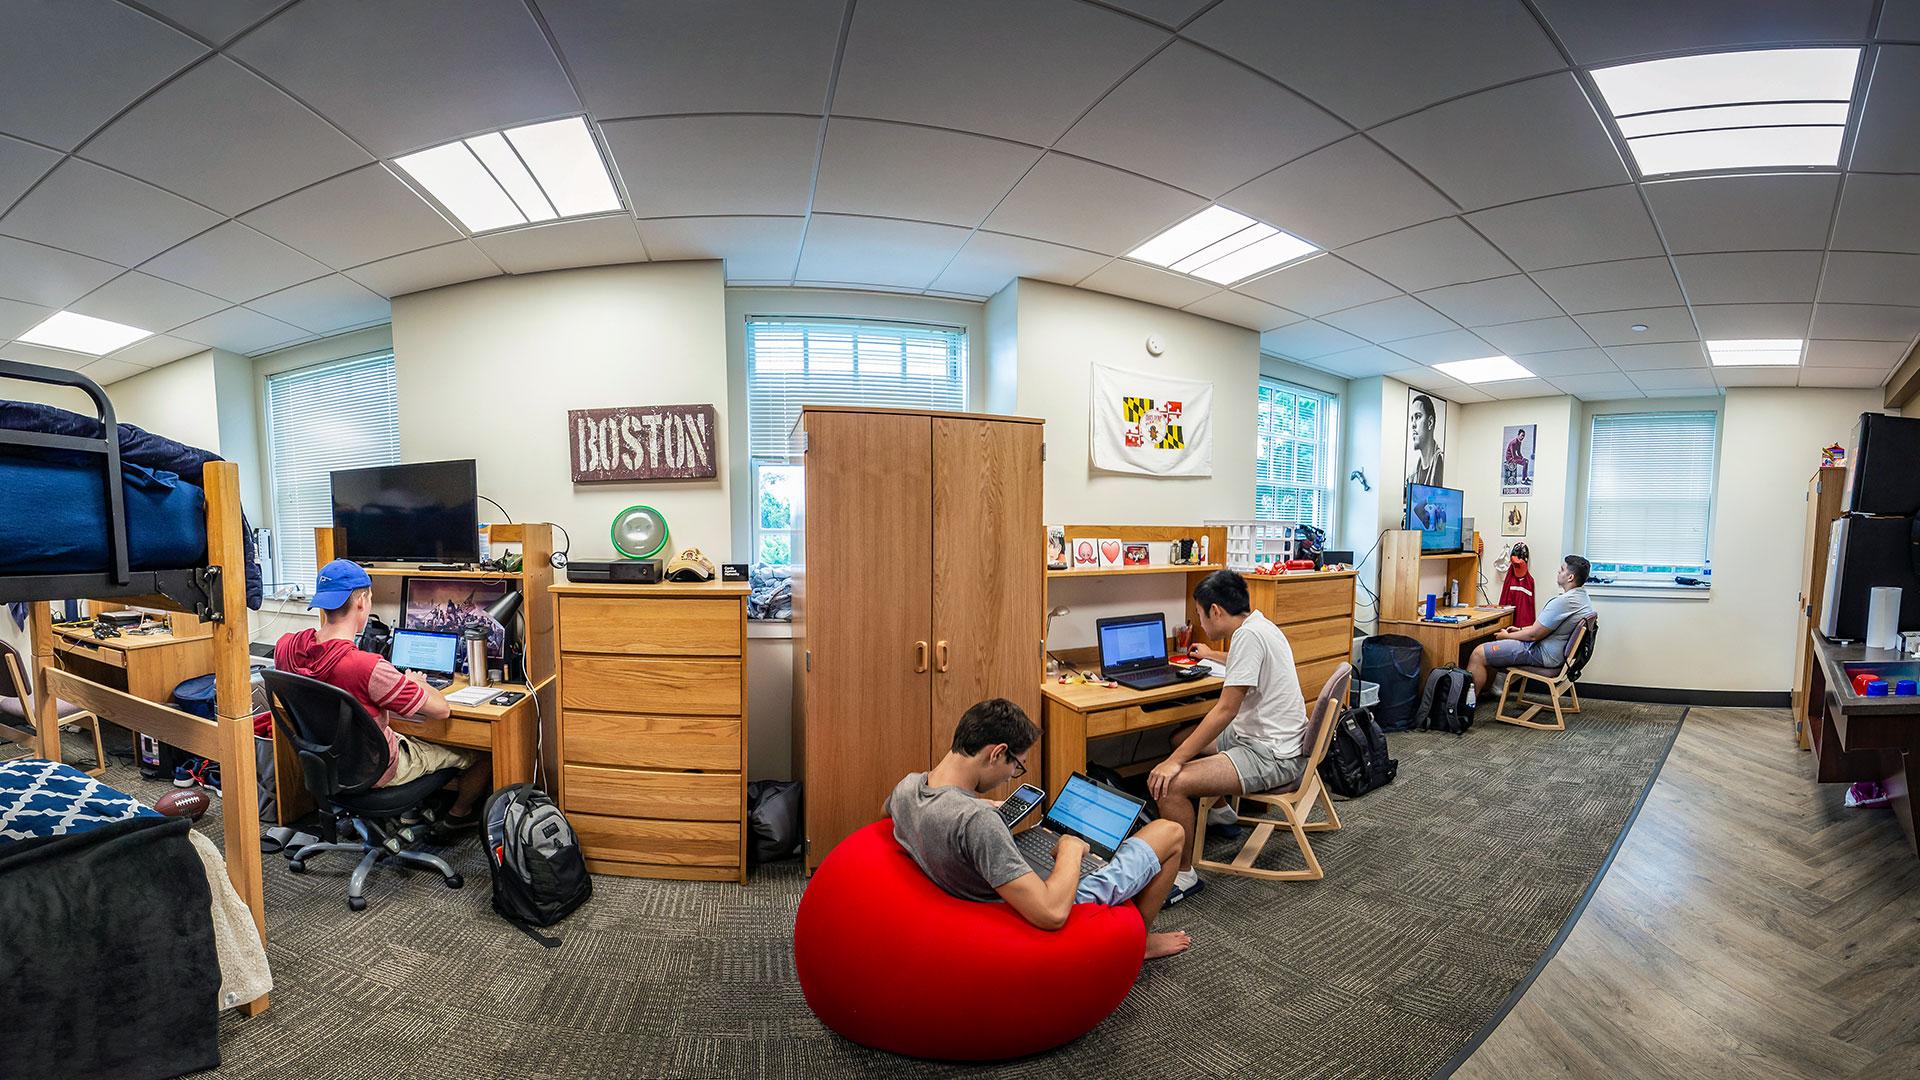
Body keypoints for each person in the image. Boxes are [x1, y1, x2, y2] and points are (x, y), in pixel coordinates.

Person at [887, 698, 1192, 960]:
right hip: (1037, 899)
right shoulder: (976, 823)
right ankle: (1135, 945)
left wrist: (981, 806)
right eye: (1016, 766)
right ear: (996, 753)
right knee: (1170, 832)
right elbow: (1052, 913)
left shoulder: (909, 787)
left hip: (996, 877)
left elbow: (898, 813)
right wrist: (1071, 851)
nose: (1011, 777)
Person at [274, 560, 492, 833]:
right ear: (362, 602)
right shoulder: (366, 667)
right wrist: (416, 683)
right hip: (378, 769)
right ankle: (458, 816)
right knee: (480, 752)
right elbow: (441, 710)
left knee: (408, 735)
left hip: (327, 766)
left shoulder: (286, 648)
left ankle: (411, 814)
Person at [1147, 569, 1309, 905]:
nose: (1201, 623)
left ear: (1216, 610)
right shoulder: (1259, 626)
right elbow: (1245, 665)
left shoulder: (1248, 638)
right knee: (1182, 739)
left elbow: (1225, 711)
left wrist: (1171, 764)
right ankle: (1222, 814)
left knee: (1171, 783)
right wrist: (1211, 655)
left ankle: (1184, 875)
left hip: (1270, 753)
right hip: (1269, 736)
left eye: (1200, 615)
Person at [1467, 554, 1595, 703]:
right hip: (1554, 653)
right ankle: (1493, 690)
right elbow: (1542, 628)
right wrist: (1520, 629)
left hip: (1543, 654)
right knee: (1493, 647)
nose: (1558, 572)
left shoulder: (1563, 602)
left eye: (1562, 569)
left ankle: (1467, 706)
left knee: (1478, 653)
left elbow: (1534, 635)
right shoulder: (1582, 597)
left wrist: (1506, 636)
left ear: (1570, 577)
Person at [1409, 393, 1444, 486]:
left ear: (1430, 422)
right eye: (1412, 419)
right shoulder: (1413, 474)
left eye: (1418, 417)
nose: (1413, 424)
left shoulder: (1440, 462)